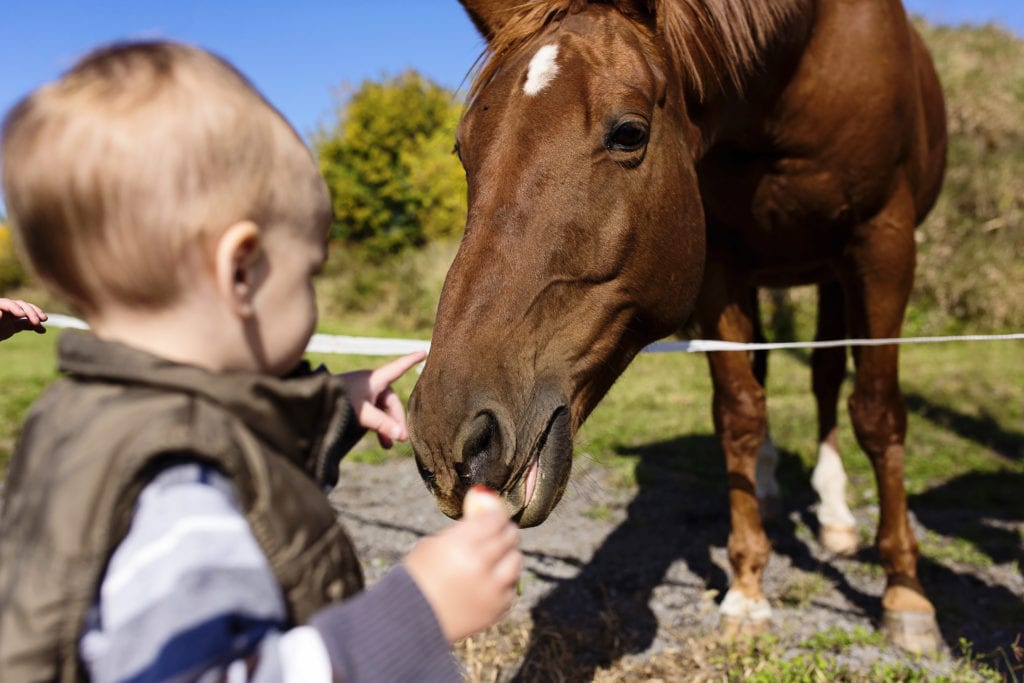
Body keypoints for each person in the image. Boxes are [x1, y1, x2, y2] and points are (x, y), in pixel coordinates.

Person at [0, 41, 521, 682]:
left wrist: (333, 408)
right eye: (308, 276)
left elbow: (239, 459)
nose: (311, 299)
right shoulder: (176, 495)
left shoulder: (87, 416)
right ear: (241, 272)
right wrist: (417, 611)